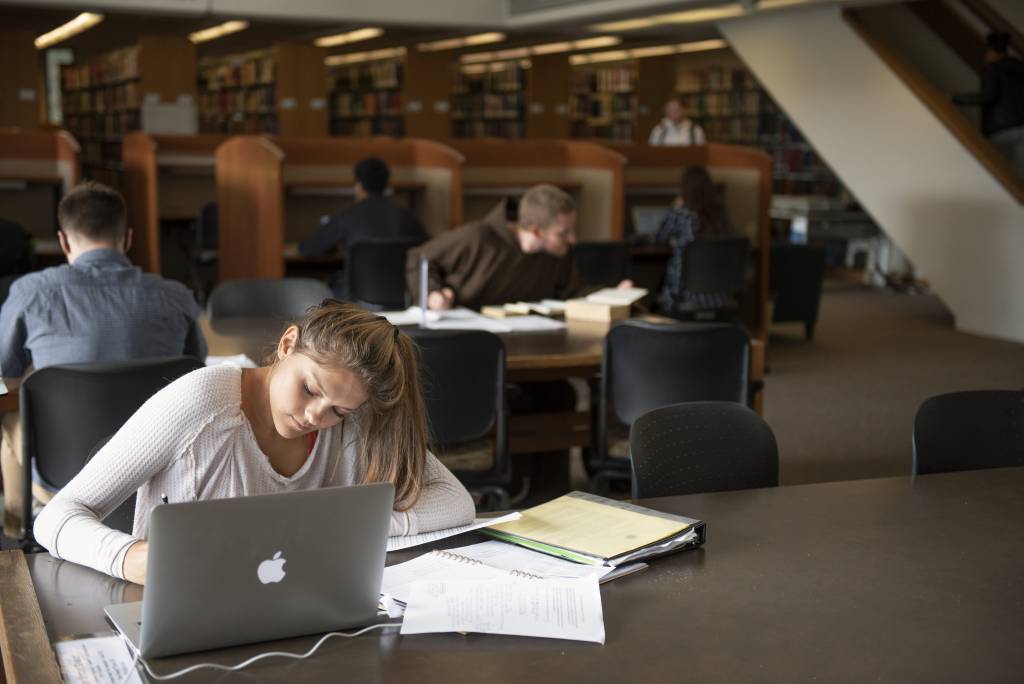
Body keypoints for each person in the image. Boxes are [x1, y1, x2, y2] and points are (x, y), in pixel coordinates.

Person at [34, 301, 475, 584]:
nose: (315, 418)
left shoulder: (352, 415)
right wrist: (130, 558)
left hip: (298, 612)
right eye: (309, 389)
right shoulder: (202, 399)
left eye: (339, 411)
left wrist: (351, 526)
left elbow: (456, 502)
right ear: (287, 344)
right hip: (181, 611)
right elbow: (56, 518)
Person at [0, 181, 207, 539]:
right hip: (158, 476)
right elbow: (195, 371)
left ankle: (17, 529)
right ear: (127, 238)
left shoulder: (31, 293)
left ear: (64, 241)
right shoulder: (175, 296)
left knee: (14, 409)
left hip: (62, 478)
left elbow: (5, 374)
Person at [406, 184, 631, 311]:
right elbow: (419, 257)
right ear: (535, 231)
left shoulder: (558, 253)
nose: (573, 239)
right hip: (470, 338)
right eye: (563, 233)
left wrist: (614, 295)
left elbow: (574, 291)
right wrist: (432, 293)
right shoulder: (477, 237)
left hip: (532, 341)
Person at [299, 157, 427, 298]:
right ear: (386, 185)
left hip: (357, 303)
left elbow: (307, 248)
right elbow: (429, 249)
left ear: (359, 185)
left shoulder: (348, 216)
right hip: (403, 297)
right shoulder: (408, 217)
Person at [655, 165, 732, 313]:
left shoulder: (682, 213)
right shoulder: (721, 214)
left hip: (684, 295)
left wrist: (674, 207)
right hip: (720, 296)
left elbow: (660, 237)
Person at [953, 32, 1024, 175]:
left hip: (1000, 128)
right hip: (1021, 126)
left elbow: (987, 96)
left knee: (999, 170)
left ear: (991, 52)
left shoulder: (992, 69)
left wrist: (956, 98)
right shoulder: (1019, 68)